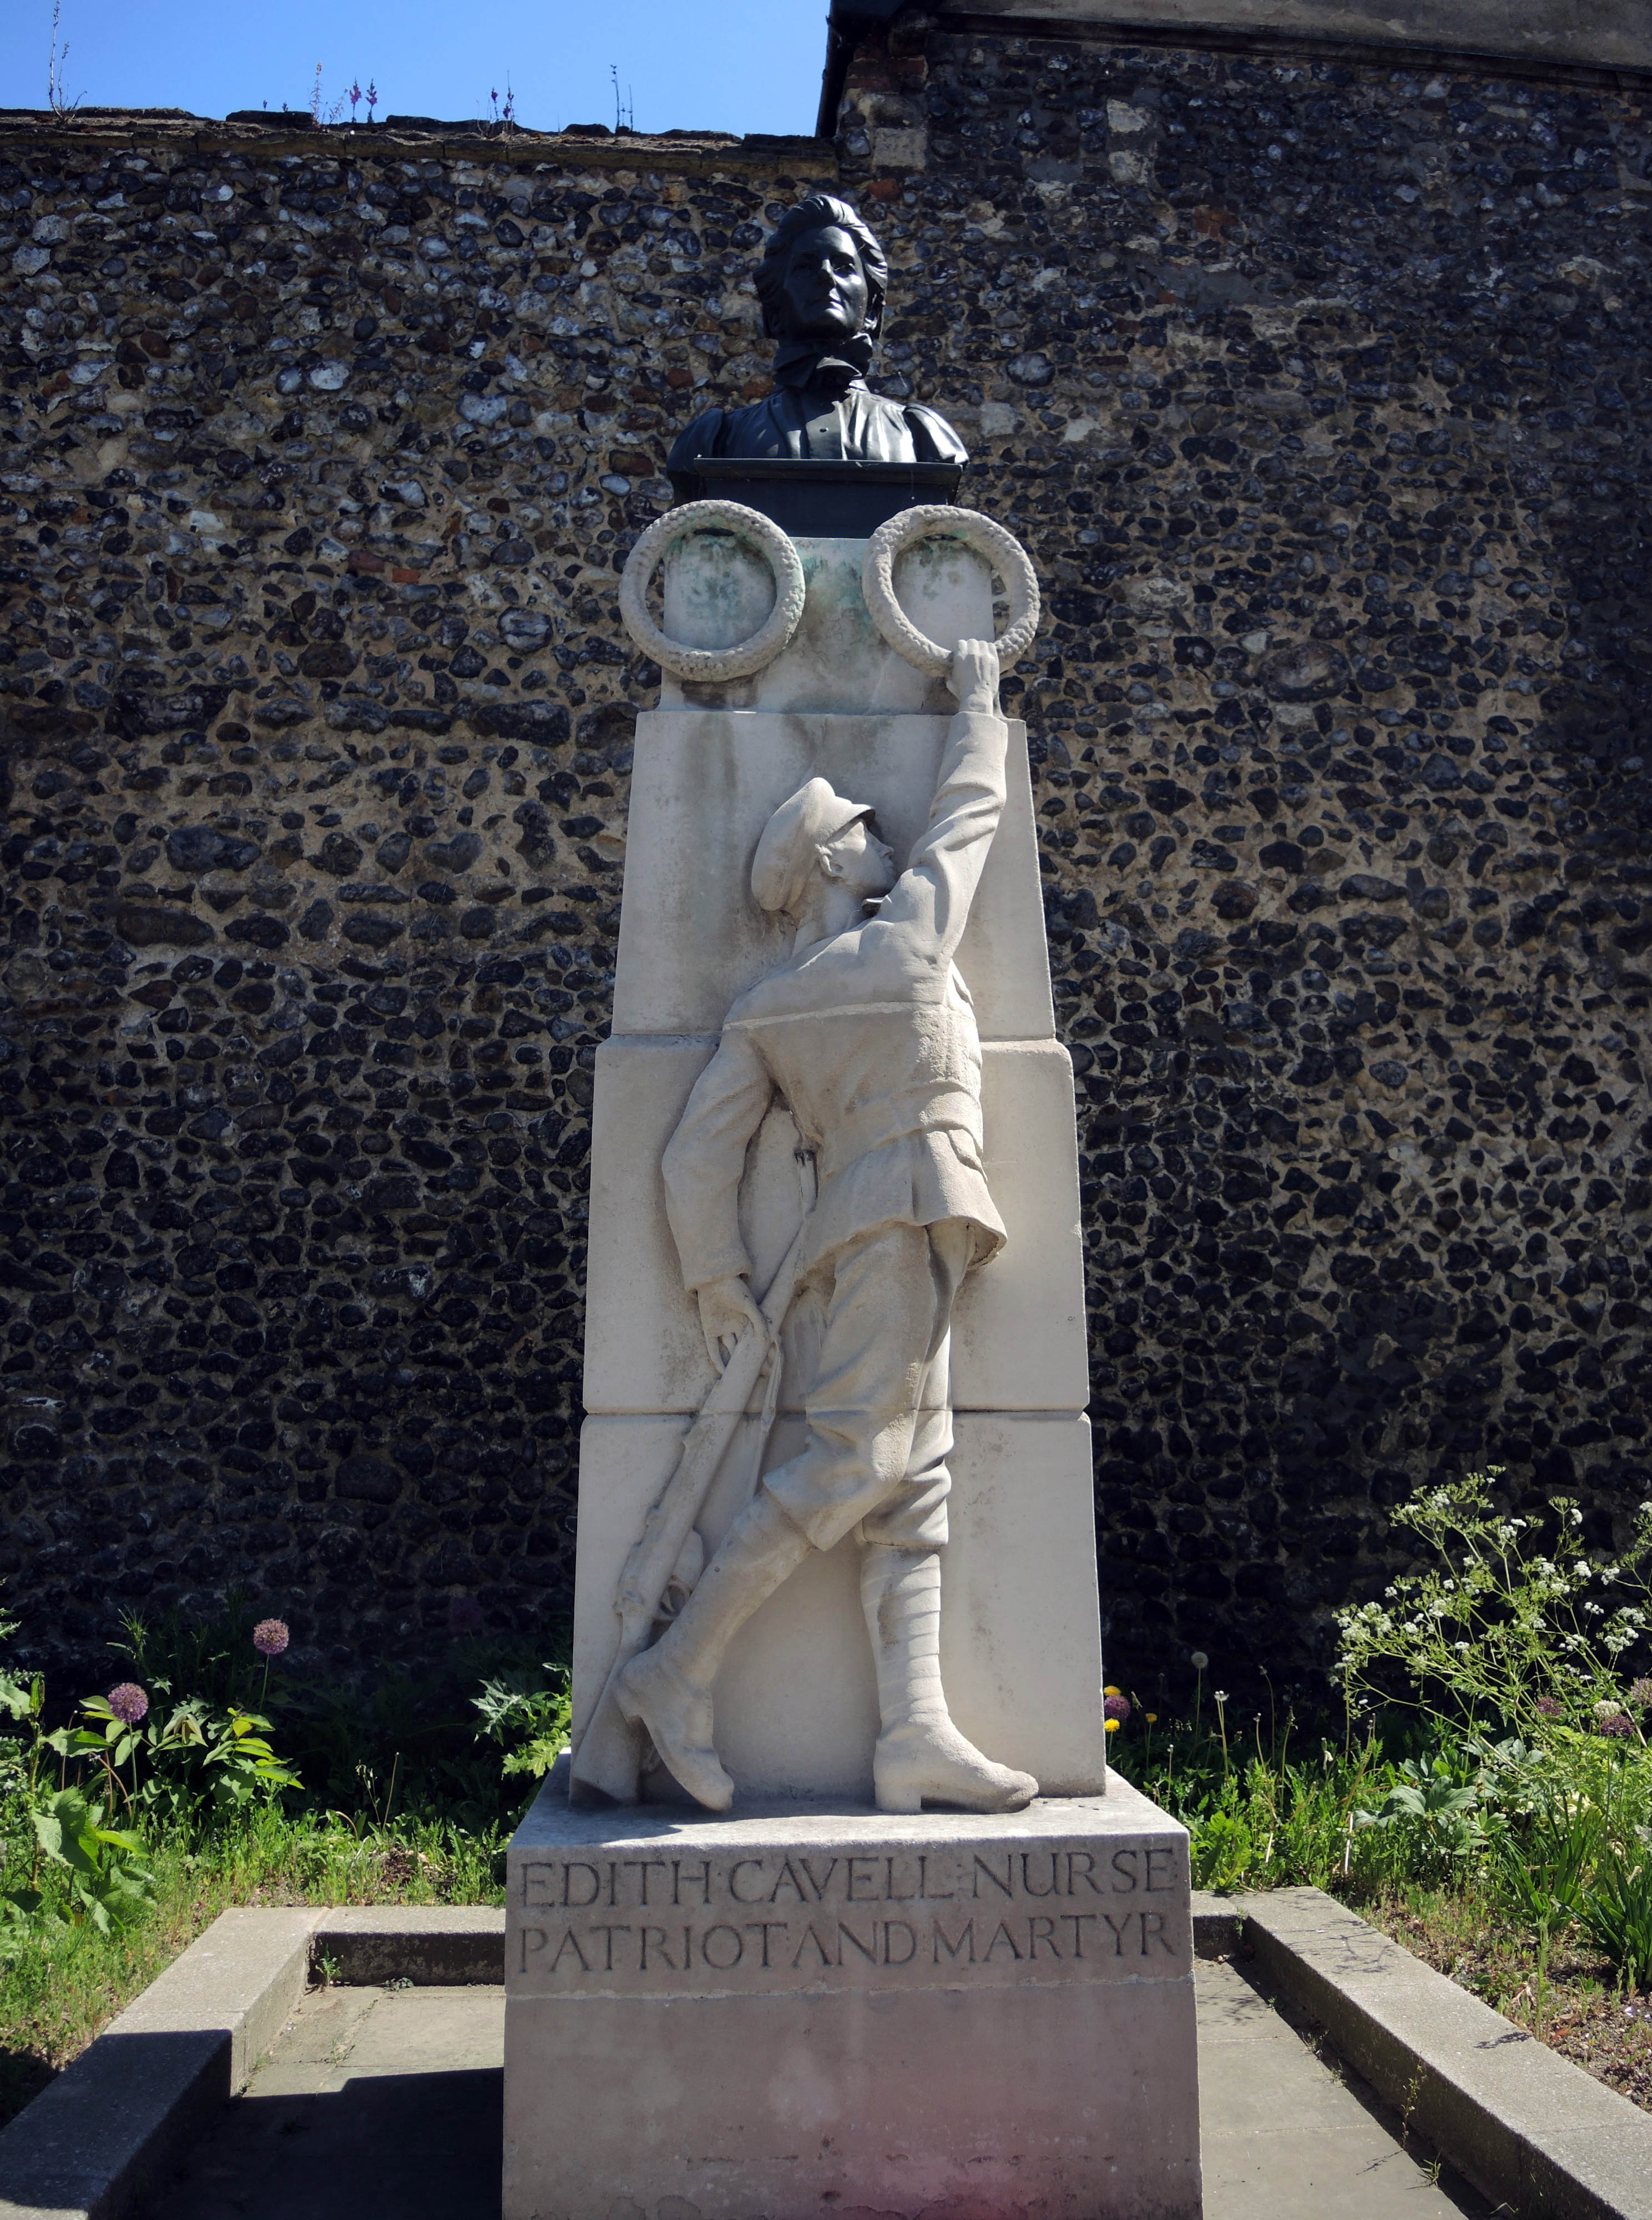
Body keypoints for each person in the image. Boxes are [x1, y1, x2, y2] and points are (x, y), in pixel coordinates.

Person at [615, 635, 1038, 1818]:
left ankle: (912, 1730)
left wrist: (717, 1280)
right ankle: (673, 1668)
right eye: (859, 826)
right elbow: (968, 814)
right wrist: (979, 703)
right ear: (830, 860)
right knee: (857, 1459)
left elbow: (695, 1156)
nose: (881, 832)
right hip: (903, 1213)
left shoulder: (765, 1006)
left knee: (912, 1476)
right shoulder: (904, 936)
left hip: (878, 1225)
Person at [666, 192, 967, 494]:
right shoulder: (715, 442)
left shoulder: (923, 438)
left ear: (873, 312)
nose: (826, 275)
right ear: (773, 311)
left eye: (844, 267)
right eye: (806, 267)